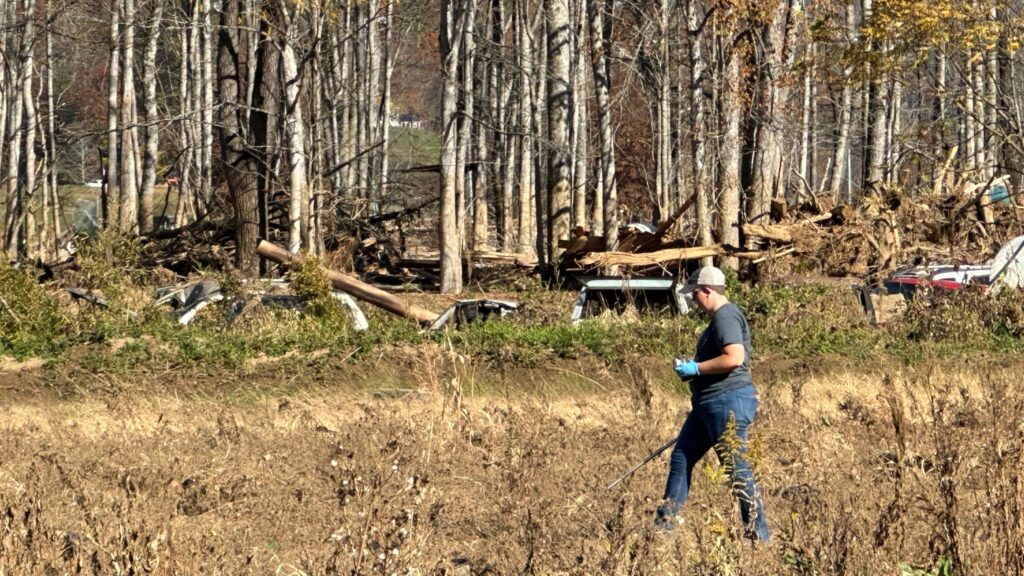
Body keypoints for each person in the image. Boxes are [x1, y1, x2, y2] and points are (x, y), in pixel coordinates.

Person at [655, 265, 770, 542]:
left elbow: (734, 358)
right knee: (681, 458)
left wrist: (697, 369)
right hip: (708, 404)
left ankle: (759, 538)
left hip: (726, 401)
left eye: (694, 294)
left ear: (706, 290)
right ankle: (664, 529)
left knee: (736, 469)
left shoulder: (726, 316)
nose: (693, 300)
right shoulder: (718, 319)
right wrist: (693, 369)